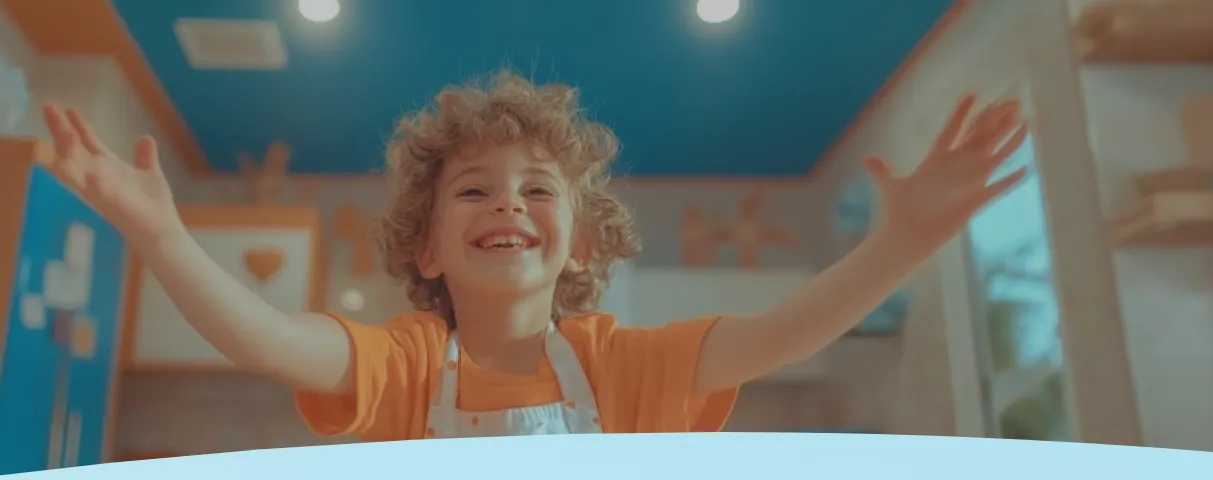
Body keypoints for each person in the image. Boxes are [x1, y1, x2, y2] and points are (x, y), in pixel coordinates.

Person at [39, 70, 1027, 440]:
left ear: (581, 242)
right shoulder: (404, 365)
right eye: (473, 189)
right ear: (426, 243)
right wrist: (163, 237)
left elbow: (780, 333)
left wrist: (900, 242)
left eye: (536, 190)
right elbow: (263, 339)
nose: (507, 201)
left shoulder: (624, 367)